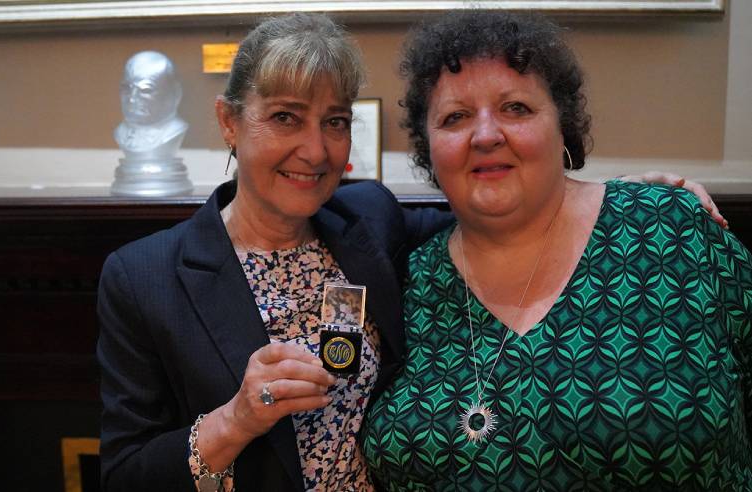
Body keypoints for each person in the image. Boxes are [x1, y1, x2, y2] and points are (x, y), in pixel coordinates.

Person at [97, 11, 727, 492]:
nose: (316, 152)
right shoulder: (145, 276)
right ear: (230, 121)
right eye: (285, 118)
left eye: (334, 121)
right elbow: (123, 473)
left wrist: (626, 199)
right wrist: (234, 418)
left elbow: (498, 204)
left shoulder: (366, 221)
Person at [361, 10, 752, 491]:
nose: (485, 135)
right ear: (429, 150)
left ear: (561, 127)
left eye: (516, 109)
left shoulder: (671, 230)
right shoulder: (405, 280)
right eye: (455, 117)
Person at [115, 50, 188, 160]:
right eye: (127, 89)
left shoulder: (175, 131)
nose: (132, 99)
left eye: (145, 90)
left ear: (175, 93)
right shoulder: (120, 132)